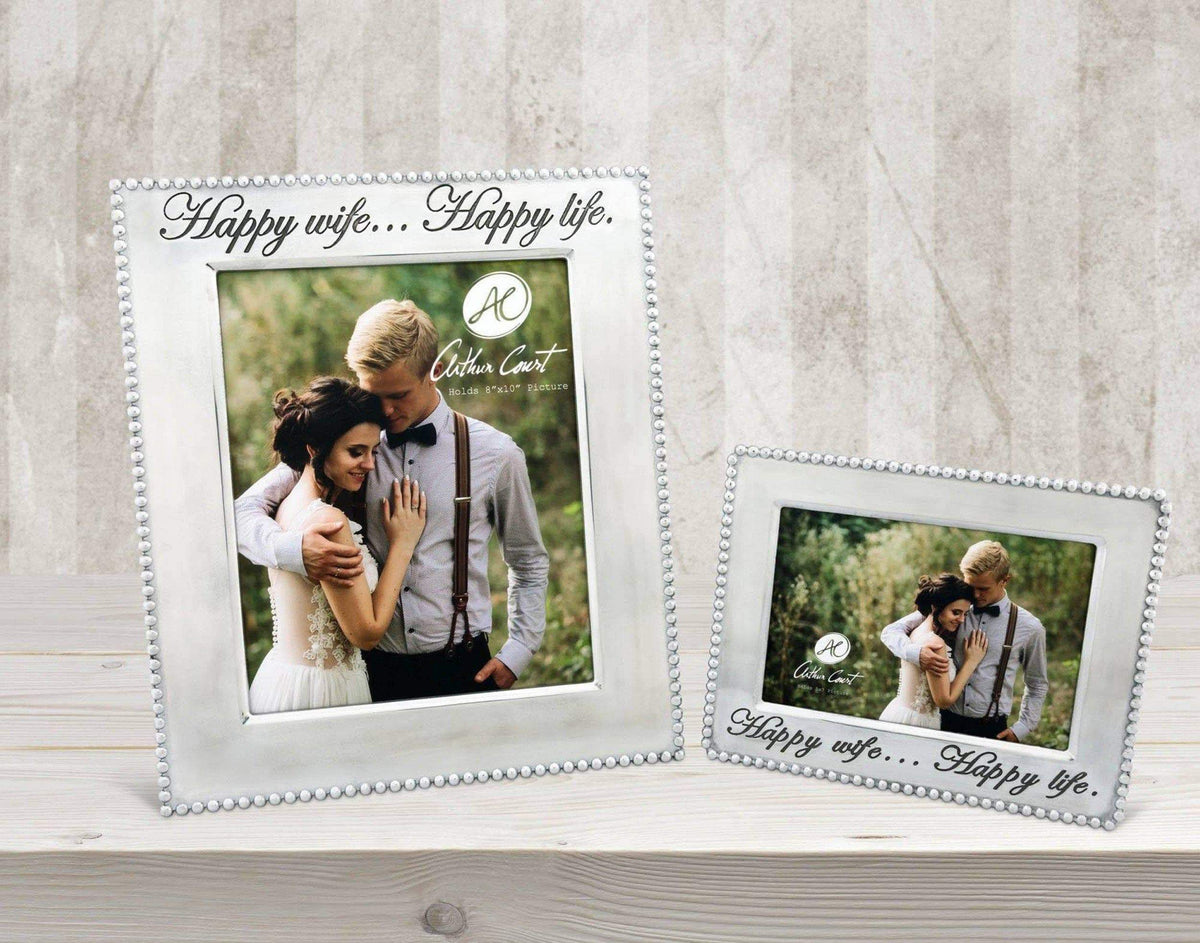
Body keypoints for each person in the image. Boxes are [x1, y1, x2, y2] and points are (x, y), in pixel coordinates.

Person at [236, 299, 550, 702]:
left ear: (436, 370)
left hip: (462, 666)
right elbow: (242, 512)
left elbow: (527, 558)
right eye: (373, 394)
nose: (384, 411)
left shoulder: (496, 454)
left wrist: (519, 651)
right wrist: (295, 549)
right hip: (370, 671)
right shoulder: (344, 444)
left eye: (397, 395)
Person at [247, 377, 426, 713]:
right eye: (355, 452)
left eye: (373, 451)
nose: (370, 464)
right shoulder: (328, 520)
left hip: (285, 678)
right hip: (325, 692)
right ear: (315, 449)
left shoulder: (285, 503)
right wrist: (403, 544)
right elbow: (367, 634)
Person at [881, 540, 1049, 741]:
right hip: (942, 722)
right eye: (971, 586)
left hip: (991, 729)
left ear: (1005, 580)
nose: (975, 595)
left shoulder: (1030, 627)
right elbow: (891, 631)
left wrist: (1022, 727)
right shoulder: (951, 607)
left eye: (983, 589)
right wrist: (917, 654)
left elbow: (1037, 683)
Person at [878, 574, 988, 729]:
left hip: (899, 712)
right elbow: (944, 700)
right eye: (956, 613)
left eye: (965, 614)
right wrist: (971, 661)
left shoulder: (917, 630)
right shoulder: (935, 643)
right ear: (935, 607)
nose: (962, 620)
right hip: (918, 724)